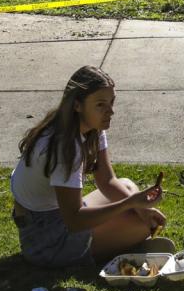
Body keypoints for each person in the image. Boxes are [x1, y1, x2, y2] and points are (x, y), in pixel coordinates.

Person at [10, 65, 165, 268]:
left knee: (126, 186)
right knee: (139, 224)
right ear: (77, 105)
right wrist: (131, 205)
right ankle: (126, 243)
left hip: (57, 215)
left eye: (112, 102)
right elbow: (74, 221)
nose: (111, 111)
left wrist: (140, 208)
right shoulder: (65, 147)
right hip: (45, 240)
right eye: (101, 105)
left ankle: (122, 240)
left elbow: (107, 181)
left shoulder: (91, 128)